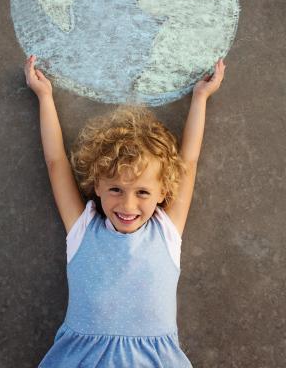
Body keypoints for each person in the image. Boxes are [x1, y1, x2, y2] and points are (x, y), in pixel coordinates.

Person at [24, 55, 226, 367]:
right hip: (82, 358)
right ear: (98, 186)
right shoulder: (83, 228)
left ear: (162, 192)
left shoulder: (166, 231)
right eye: (116, 189)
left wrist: (200, 98)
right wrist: (44, 96)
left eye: (142, 192)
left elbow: (189, 161)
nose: (128, 205)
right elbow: (56, 163)